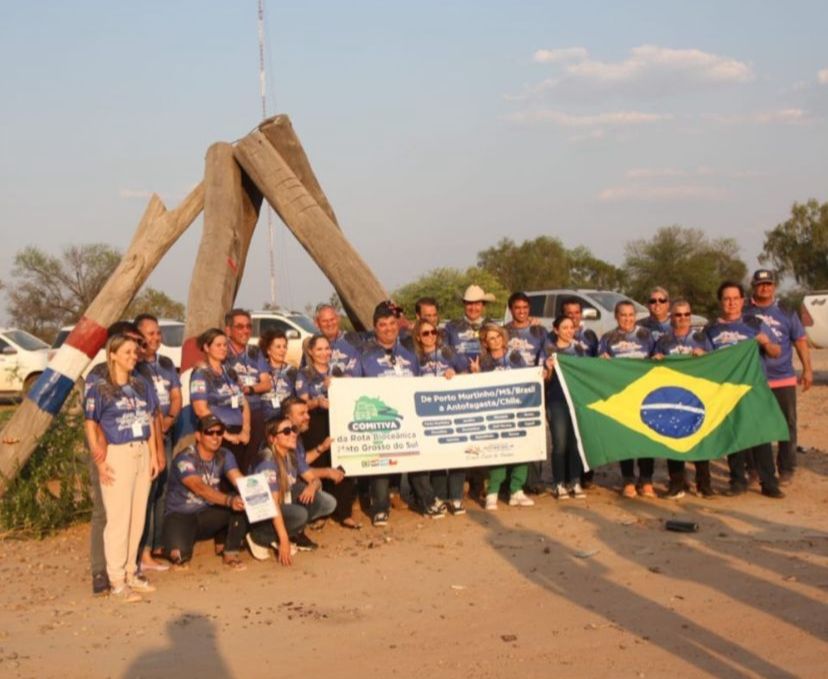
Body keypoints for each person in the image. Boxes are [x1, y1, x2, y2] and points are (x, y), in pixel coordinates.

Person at [84, 333, 161, 603]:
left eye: (134, 352)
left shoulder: (141, 385)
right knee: (118, 519)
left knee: (137, 517)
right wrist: (101, 462)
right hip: (117, 453)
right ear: (113, 354)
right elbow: (91, 424)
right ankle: (116, 579)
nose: (132, 356)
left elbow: (150, 419)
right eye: (127, 352)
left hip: (140, 451)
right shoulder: (99, 387)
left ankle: (130, 571)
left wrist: (153, 455)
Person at [705, 281, 784, 498]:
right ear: (721, 302)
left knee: (760, 436)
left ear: (742, 300)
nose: (731, 303)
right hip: (727, 390)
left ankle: (769, 483)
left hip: (754, 387)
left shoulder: (755, 323)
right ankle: (737, 481)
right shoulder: (711, 329)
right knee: (734, 435)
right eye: (726, 298)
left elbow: (777, 352)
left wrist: (765, 343)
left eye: (735, 298)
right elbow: (707, 359)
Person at [745, 269, 813, 485]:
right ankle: (754, 468)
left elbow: (800, 340)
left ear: (774, 286)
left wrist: (808, 369)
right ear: (753, 286)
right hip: (755, 379)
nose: (764, 287)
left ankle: (787, 468)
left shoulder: (785, 310)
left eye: (768, 284)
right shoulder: (744, 311)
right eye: (760, 284)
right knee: (754, 425)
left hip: (783, 377)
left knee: (787, 424)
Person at [360, 302, 420, 526]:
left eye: (392, 324)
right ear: (375, 328)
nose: (388, 328)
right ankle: (380, 508)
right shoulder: (364, 356)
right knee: (382, 463)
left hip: (407, 419)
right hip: (380, 420)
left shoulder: (409, 354)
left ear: (398, 325)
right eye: (382, 325)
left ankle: (422, 500)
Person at [161, 415, 248, 570]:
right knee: (180, 558)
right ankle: (170, 545)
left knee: (242, 501)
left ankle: (230, 552)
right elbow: (199, 487)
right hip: (181, 514)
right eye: (209, 432)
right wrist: (229, 501)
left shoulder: (225, 454)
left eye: (219, 432)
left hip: (207, 513)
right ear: (198, 436)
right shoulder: (185, 458)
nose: (215, 437)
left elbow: (239, 480)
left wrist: (259, 493)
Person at [134, 313, 182, 574]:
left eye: (157, 333)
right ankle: (143, 551)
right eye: (150, 334)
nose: (155, 338)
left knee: (163, 489)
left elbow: (176, 395)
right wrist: (156, 424)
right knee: (148, 493)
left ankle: (158, 544)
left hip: (167, 431)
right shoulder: (135, 365)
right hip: (145, 436)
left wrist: (170, 418)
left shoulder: (166, 363)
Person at [653, 300, 715, 498]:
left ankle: (704, 484)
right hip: (673, 396)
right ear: (671, 317)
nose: (683, 318)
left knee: (699, 439)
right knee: (674, 439)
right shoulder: (663, 341)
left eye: (686, 314)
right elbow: (652, 366)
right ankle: (677, 483)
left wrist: (705, 356)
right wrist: (657, 360)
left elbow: (717, 363)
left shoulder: (700, 338)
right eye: (678, 315)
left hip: (697, 396)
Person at [249, 417, 338, 553]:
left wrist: (312, 486)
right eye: (286, 431)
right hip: (261, 510)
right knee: (300, 515)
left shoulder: (291, 454)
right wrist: (284, 539)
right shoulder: (267, 462)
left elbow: (314, 479)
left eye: (294, 429)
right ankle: (259, 536)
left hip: (281, 500)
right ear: (273, 439)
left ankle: (290, 531)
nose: (293, 434)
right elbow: (271, 504)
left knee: (327, 502)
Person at [470, 323, 534, 510]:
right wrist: (476, 374)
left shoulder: (515, 356)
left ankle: (516, 490)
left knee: (521, 449)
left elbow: (527, 379)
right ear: (485, 342)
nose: (496, 341)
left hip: (517, 411)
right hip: (495, 415)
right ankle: (493, 492)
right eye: (491, 338)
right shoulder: (484, 361)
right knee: (498, 451)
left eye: (498, 336)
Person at [411, 319, 469, 516]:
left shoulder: (448, 352)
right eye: (425, 333)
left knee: (456, 451)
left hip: (451, 409)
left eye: (433, 332)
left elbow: (468, 372)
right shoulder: (413, 358)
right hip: (425, 413)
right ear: (418, 337)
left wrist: (456, 374)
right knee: (434, 455)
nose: (430, 336)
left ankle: (456, 496)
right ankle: (439, 496)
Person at [599, 301, 656, 499]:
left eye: (631, 314)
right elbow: (598, 366)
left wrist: (657, 357)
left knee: (646, 437)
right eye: (623, 315)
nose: (628, 318)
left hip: (645, 394)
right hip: (621, 396)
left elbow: (656, 357)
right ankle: (628, 479)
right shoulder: (608, 338)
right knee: (625, 439)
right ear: (616, 316)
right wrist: (602, 361)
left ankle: (647, 480)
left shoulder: (646, 335)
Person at [281, 396, 355, 529]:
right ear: (288, 417)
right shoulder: (283, 438)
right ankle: (279, 532)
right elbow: (305, 471)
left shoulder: (295, 436)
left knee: (327, 502)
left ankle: (295, 525)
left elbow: (302, 462)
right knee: (304, 509)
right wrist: (327, 472)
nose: (308, 417)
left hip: (290, 485)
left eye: (307, 412)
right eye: (302, 414)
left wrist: (321, 448)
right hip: (277, 492)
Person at [190, 328, 251, 471]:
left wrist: (246, 430)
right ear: (206, 347)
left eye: (225, 345)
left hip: (239, 435)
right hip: (216, 435)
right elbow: (200, 410)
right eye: (218, 345)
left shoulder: (229, 371)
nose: (223, 349)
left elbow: (244, 401)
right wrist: (225, 435)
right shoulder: (200, 373)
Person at [543, 316, 586, 500]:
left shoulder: (579, 350)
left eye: (571, 327)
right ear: (556, 329)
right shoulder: (548, 351)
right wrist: (549, 369)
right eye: (565, 327)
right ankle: (558, 482)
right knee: (559, 443)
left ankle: (575, 481)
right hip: (556, 401)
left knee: (575, 443)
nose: (569, 331)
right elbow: (543, 379)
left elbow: (587, 375)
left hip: (575, 401)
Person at [224, 309, 272, 473]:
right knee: (231, 460)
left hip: (256, 411)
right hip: (232, 413)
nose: (245, 330)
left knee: (250, 459)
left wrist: (249, 388)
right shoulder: (223, 351)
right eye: (240, 327)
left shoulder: (255, 352)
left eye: (248, 327)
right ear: (228, 330)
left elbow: (266, 383)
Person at [444, 285, 495, 360]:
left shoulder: (492, 327)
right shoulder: (451, 327)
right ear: (464, 304)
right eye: (469, 303)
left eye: (477, 304)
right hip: (459, 371)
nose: (473, 308)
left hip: (487, 370)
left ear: (483, 306)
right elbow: (445, 354)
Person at [259, 329, 298, 424]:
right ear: (268, 350)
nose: (282, 350)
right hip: (264, 420)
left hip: (286, 421)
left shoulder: (292, 371)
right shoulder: (259, 370)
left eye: (285, 347)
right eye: (278, 347)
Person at [314, 303, 364, 376]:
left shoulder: (353, 340)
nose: (329, 324)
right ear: (317, 323)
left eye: (332, 319)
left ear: (338, 319)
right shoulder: (312, 345)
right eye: (324, 321)